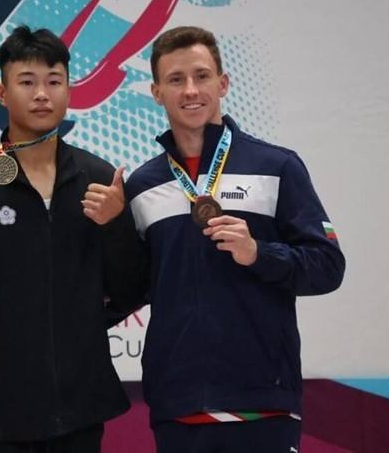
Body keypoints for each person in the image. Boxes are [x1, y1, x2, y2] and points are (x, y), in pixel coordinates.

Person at [125, 26, 345, 453]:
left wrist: (259, 253)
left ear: (223, 83)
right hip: (178, 406)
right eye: (175, 80)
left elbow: (328, 266)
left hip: (262, 402)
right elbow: (129, 287)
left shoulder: (278, 165)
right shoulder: (142, 185)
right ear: (155, 92)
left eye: (202, 76)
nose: (191, 90)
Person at [0, 26, 147, 453]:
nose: (42, 95)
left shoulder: (99, 179)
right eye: (26, 82)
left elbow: (135, 287)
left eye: (54, 81)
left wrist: (114, 226)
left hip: (81, 410)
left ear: (69, 90)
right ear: (1, 91)